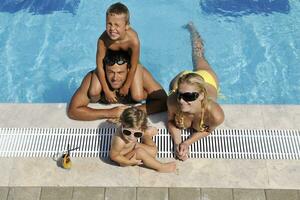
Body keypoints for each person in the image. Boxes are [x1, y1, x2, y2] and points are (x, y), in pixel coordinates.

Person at [167, 22, 225, 161]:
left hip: (206, 78)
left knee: (198, 53)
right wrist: (177, 143)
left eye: (189, 97)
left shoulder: (215, 115)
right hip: (182, 80)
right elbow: (170, 121)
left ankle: (192, 29)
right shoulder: (173, 99)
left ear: (201, 96)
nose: (181, 100)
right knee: (173, 90)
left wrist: (187, 143)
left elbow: (207, 130)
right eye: (180, 95)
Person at [67, 50, 167, 121]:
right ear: (104, 70)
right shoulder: (92, 79)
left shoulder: (141, 77)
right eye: (110, 72)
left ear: (128, 70)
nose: (115, 78)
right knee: (94, 91)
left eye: (120, 72)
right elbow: (73, 111)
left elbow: (164, 101)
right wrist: (110, 113)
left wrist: (132, 111)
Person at [89, 2, 144, 104]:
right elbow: (100, 67)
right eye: (109, 24)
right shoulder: (103, 40)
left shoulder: (133, 41)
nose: (112, 29)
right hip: (110, 65)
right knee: (93, 93)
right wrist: (106, 90)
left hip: (128, 65)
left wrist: (126, 86)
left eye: (117, 25)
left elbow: (133, 65)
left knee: (137, 96)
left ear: (126, 26)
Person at [109, 107, 176, 173]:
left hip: (132, 147)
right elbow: (114, 156)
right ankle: (161, 167)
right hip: (123, 160)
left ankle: (145, 134)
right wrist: (129, 162)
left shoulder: (130, 127)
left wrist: (144, 132)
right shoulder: (119, 141)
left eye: (137, 134)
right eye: (127, 132)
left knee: (153, 151)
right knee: (140, 152)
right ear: (122, 126)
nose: (131, 137)